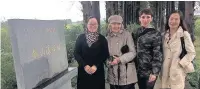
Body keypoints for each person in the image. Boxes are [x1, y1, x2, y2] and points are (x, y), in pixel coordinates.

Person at [160, 10, 196, 89]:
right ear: (168, 20)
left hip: (177, 73)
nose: (173, 21)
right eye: (171, 19)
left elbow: (191, 53)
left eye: (176, 19)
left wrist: (180, 64)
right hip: (164, 73)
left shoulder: (184, 34)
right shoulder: (163, 35)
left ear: (180, 21)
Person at [73, 16, 109, 89]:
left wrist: (95, 66)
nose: (93, 26)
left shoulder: (102, 39)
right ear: (87, 25)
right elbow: (76, 53)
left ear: (98, 25)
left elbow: (105, 54)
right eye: (91, 24)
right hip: (83, 71)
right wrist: (85, 65)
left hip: (98, 71)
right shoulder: (80, 37)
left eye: (95, 24)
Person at [132, 8, 163, 89]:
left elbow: (158, 54)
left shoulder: (155, 34)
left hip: (149, 72)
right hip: (138, 70)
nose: (145, 19)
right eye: (143, 17)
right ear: (139, 18)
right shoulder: (136, 32)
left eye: (148, 17)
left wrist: (154, 72)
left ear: (151, 18)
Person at [106, 15, 137, 89]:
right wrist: (109, 62)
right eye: (114, 24)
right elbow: (105, 55)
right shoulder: (107, 38)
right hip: (113, 76)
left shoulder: (127, 35)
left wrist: (119, 59)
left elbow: (133, 52)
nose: (116, 26)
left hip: (127, 75)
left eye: (118, 24)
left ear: (121, 24)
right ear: (110, 24)